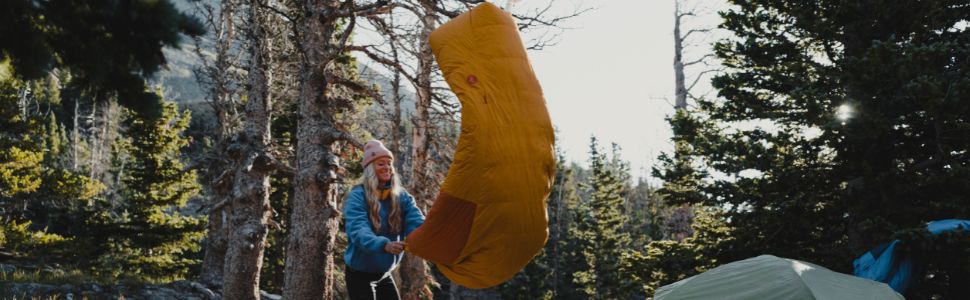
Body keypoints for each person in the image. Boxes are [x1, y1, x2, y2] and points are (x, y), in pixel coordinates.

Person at [344, 140, 425, 300]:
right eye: (381, 163)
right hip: (359, 275)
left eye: (389, 163)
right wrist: (384, 244)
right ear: (370, 169)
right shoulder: (357, 196)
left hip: (384, 274)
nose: (387, 167)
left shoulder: (401, 196)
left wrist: (424, 237)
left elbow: (416, 221)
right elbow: (358, 229)